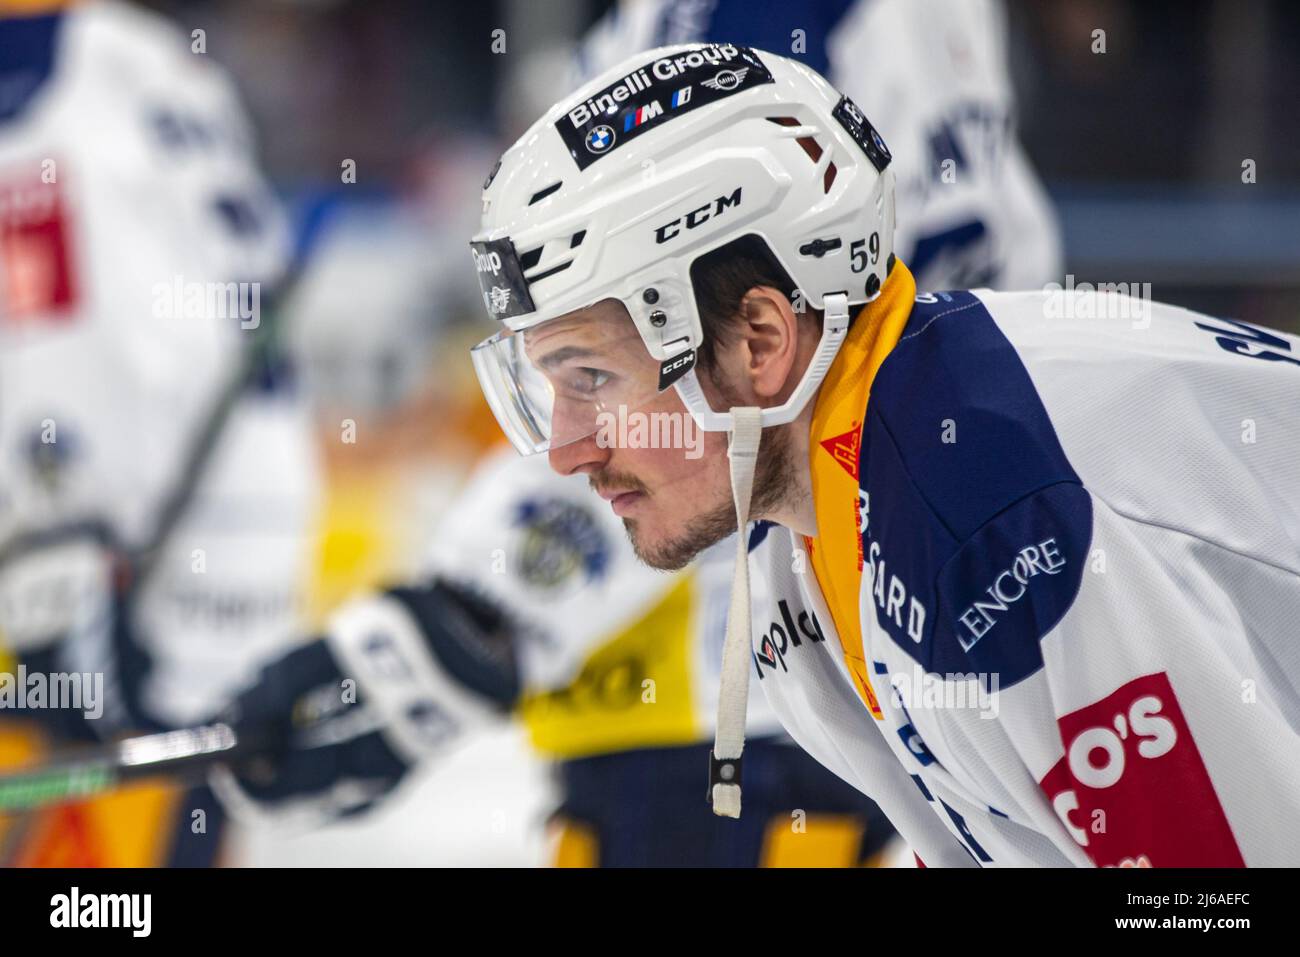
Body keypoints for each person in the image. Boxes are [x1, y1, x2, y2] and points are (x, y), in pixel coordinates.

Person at [465, 42, 1300, 866]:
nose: (567, 450)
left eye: (592, 377)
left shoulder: (987, 516)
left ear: (760, 340)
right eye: (547, 385)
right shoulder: (815, 533)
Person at [0, 0, 319, 866]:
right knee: (199, 807)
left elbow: (62, 321)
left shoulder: (32, 75)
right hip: (245, 508)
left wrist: (57, 532)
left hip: (124, 546)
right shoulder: (149, 55)